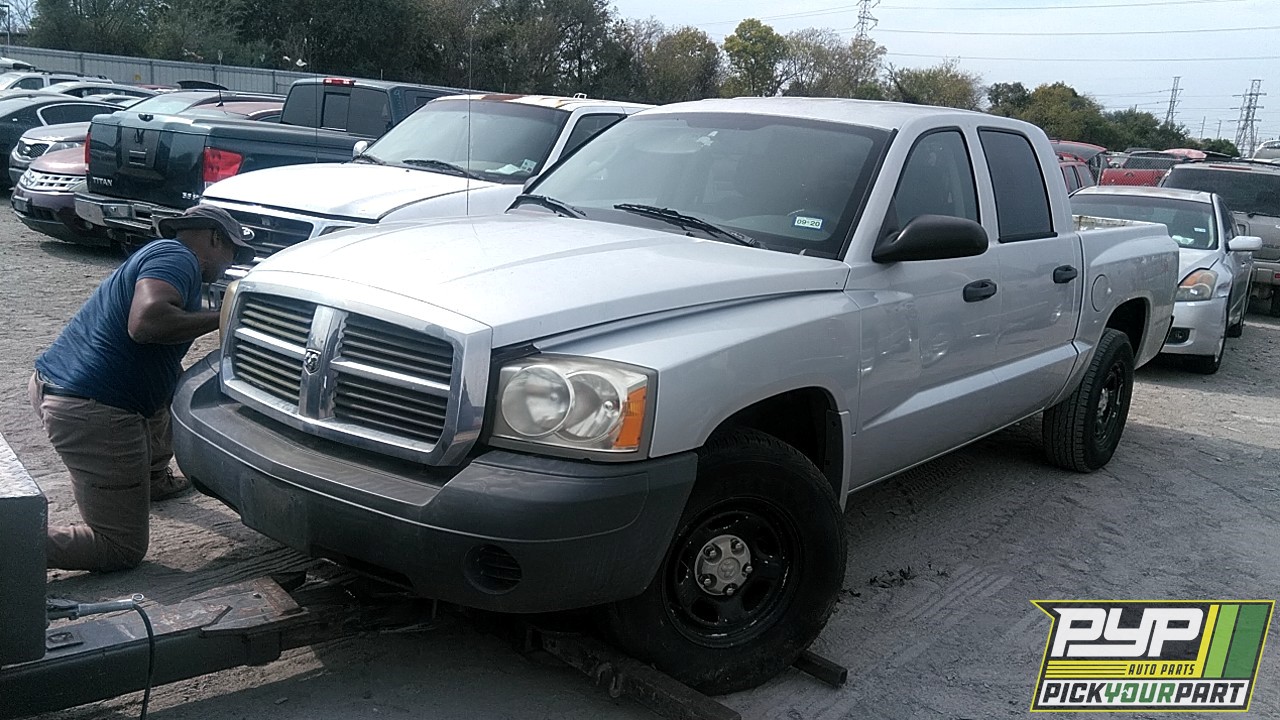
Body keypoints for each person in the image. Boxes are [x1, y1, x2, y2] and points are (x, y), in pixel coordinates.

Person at [29, 205, 255, 572]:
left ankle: (151, 479)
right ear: (215, 238)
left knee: (171, 389)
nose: (228, 266)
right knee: (119, 548)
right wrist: (226, 317)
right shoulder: (178, 257)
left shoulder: (157, 255)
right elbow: (146, 323)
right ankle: (13, 541)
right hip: (93, 413)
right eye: (232, 254)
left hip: (59, 386)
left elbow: (154, 354)